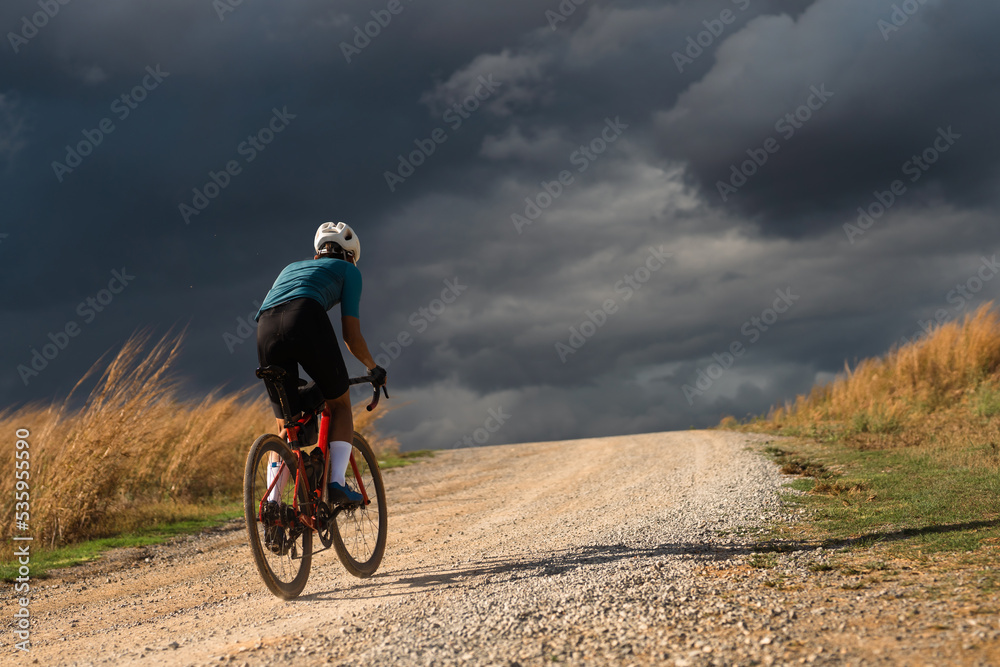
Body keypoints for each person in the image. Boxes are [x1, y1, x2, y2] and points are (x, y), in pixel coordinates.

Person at [255, 221, 387, 507]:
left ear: (317, 256)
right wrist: (373, 368)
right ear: (350, 255)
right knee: (339, 404)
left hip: (264, 327)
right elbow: (351, 335)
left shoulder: (290, 268)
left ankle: (273, 507)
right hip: (305, 317)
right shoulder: (349, 271)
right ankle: (336, 484)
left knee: (285, 424)